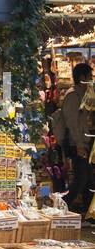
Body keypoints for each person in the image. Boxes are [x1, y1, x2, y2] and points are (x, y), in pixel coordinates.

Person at [51, 61, 94, 214]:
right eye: (90, 76)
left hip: (85, 142)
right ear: (82, 77)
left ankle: (87, 214)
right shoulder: (73, 95)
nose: (91, 79)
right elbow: (72, 123)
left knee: (89, 179)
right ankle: (62, 205)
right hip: (77, 144)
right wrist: (79, 145)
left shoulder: (83, 94)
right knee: (81, 179)